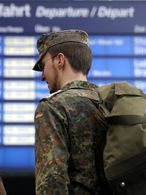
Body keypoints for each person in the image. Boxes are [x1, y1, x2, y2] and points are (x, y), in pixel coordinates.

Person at [32, 30, 111, 194]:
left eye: (42, 66)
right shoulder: (109, 103)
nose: (42, 76)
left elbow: (51, 182)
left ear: (60, 60)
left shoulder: (53, 107)